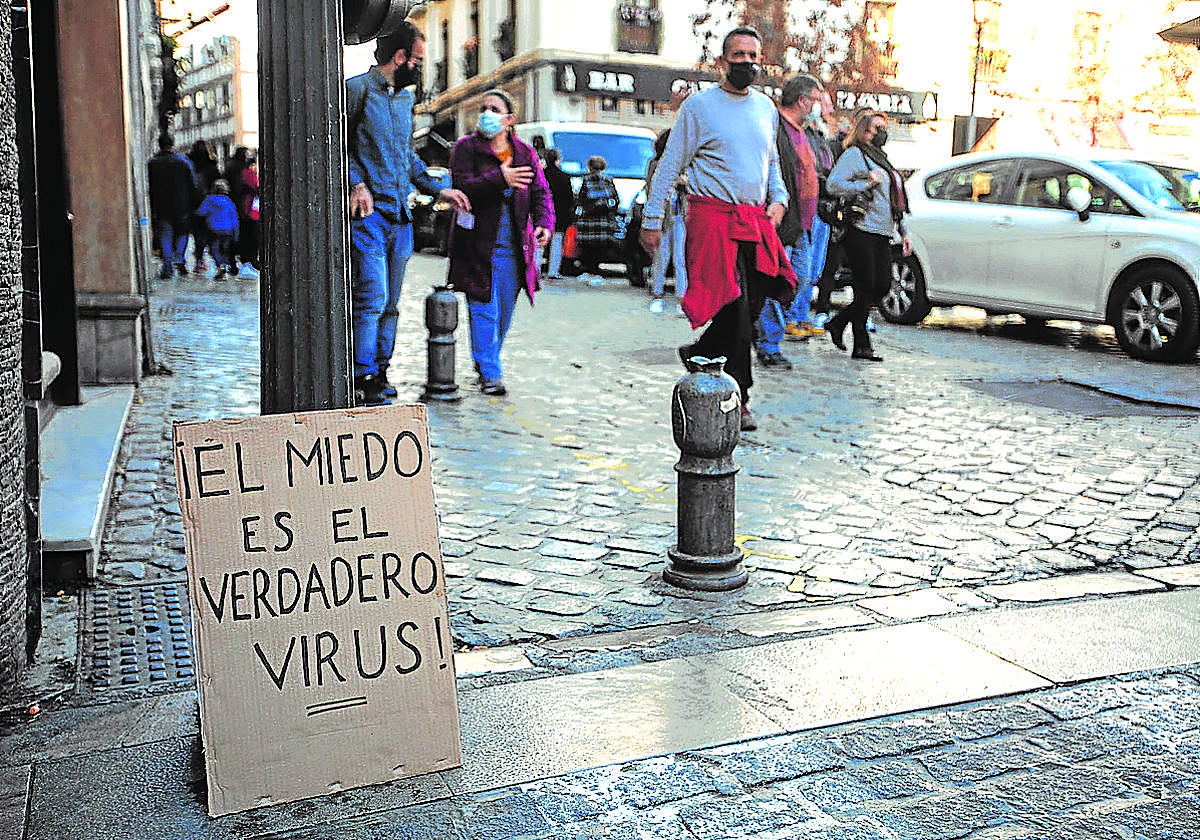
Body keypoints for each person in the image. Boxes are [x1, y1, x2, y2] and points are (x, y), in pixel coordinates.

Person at [639, 26, 795, 432]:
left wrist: (779, 199)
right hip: (712, 220)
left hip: (755, 220)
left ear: (761, 61)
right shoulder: (699, 108)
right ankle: (739, 395)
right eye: (738, 54)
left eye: (753, 55)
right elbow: (671, 165)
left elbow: (771, 164)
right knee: (735, 307)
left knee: (758, 295)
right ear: (724, 60)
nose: (746, 61)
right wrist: (651, 220)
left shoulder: (765, 109)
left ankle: (702, 350)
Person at [346, 21, 470, 405]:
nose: (419, 66)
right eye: (417, 59)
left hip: (399, 217)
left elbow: (406, 157)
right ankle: (360, 374)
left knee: (392, 303)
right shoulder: (356, 90)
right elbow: (337, 144)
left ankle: (380, 370)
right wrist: (356, 183)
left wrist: (439, 188)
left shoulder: (404, 102)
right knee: (372, 295)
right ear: (400, 57)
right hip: (368, 216)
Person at [447, 89, 553, 396]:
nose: (486, 113)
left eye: (494, 109)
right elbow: (462, 186)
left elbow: (541, 192)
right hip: (476, 245)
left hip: (514, 248)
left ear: (509, 119)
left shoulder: (524, 153)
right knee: (484, 310)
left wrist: (545, 223)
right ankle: (491, 373)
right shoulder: (466, 148)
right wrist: (499, 179)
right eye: (483, 108)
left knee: (503, 313)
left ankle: (487, 362)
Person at [824, 111, 912, 362]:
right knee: (865, 286)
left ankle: (839, 323)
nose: (882, 132)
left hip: (883, 232)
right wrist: (864, 184)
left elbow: (896, 202)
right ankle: (862, 345)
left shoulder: (883, 159)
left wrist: (904, 232)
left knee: (882, 285)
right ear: (864, 130)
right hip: (861, 229)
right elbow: (833, 184)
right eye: (877, 127)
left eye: (884, 127)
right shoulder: (856, 154)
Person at [753, 75, 823, 371]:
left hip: (803, 225)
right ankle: (768, 342)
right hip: (783, 222)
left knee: (800, 281)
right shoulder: (777, 128)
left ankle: (763, 332)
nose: (817, 107)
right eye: (816, 100)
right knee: (779, 282)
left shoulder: (801, 132)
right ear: (803, 101)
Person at [644, 129, 687, 314]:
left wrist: (684, 183)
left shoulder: (686, 164)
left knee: (680, 257)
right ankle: (657, 293)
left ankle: (682, 297)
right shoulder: (655, 164)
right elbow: (651, 188)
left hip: (680, 215)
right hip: (662, 216)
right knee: (661, 257)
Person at [147, 133, 198, 279]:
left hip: (160, 205)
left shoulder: (153, 163)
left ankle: (167, 266)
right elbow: (193, 185)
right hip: (182, 205)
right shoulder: (184, 162)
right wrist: (193, 204)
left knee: (165, 235)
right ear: (173, 144)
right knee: (182, 234)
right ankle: (180, 258)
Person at [575, 155, 618, 284]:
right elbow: (615, 199)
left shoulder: (586, 179)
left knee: (588, 247)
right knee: (600, 248)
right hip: (603, 220)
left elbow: (581, 198)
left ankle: (588, 270)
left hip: (589, 220)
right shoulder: (608, 180)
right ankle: (597, 273)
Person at [193, 178, 239, 278]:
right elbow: (234, 218)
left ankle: (220, 265)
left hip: (213, 229)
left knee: (214, 249)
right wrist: (236, 233)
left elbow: (201, 212)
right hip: (228, 229)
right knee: (225, 249)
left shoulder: (209, 200)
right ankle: (224, 264)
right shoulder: (228, 201)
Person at [187, 140, 220, 272]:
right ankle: (218, 262)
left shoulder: (191, 165)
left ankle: (199, 260)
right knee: (210, 233)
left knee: (198, 234)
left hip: (194, 203)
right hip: (210, 204)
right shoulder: (212, 167)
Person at [541, 148, 574, 279]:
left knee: (539, 242)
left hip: (542, 212)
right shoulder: (564, 177)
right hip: (559, 214)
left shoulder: (541, 175)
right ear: (557, 159)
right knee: (557, 242)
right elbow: (569, 199)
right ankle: (553, 271)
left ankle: (536, 269)